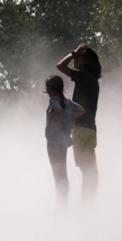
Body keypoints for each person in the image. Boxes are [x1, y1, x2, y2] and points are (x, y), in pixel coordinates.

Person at [57, 43, 101, 201]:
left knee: (88, 171)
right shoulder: (91, 79)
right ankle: (87, 204)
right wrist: (77, 53)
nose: (75, 58)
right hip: (89, 130)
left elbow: (60, 66)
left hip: (81, 130)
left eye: (79, 57)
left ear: (85, 60)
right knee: (90, 171)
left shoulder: (84, 77)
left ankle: (85, 206)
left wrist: (72, 53)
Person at [43, 75, 86, 205]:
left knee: (58, 176)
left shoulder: (53, 100)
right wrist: (69, 120)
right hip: (62, 142)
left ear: (49, 89)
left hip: (54, 142)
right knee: (63, 175)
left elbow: (58, 110)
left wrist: (58, 122)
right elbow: (81, 110)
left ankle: (60, 207)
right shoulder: (67, 101)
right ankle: (63, 205)